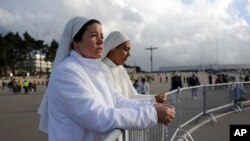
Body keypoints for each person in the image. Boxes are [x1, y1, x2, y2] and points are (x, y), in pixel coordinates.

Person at [37, 16, 175, 141]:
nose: (100, 40)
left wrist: (152, 106)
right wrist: (151, 115)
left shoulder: (98, 70)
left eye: (102, 36)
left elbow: (118, 101)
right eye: (94, 35)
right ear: (75, 42)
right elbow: (97, 117)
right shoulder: (66, 72)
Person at [102, 31, 166, 103]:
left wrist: (154, 97)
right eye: (125, 50)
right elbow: (117, 101)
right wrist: (153, 100)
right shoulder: (102, 69)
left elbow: (133, 96)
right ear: (112, 49)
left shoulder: (121, 69)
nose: (129, 54)